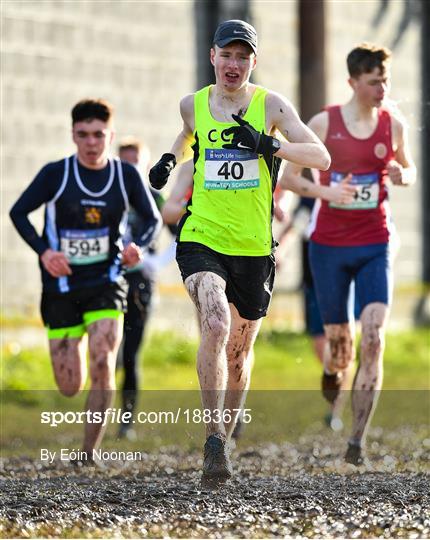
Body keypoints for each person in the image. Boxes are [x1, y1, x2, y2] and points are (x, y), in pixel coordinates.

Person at [148, 19, 331, 484]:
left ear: (254, 61)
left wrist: (270, 144)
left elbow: (320, 157)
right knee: (214, 321)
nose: (234, 64)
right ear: (212, 57)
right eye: (226, 55)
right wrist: (170, 159)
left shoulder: (270, 104)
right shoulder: (193, 104)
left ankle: (224, 443)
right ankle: (212, 439)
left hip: (253, 247)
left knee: (238, 353)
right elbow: (190, 132)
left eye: (243, 56)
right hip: (203, 236)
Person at [280, 43, 416, 465]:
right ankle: (332, 379)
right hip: (329, 246)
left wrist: (401, 173)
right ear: (353, 82)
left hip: (375, 240)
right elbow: (289, 178)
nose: (382, 89)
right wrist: (326, 191)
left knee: (373, 338)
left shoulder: (393, 125)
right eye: (374, 82)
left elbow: (409, 171)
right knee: (341, 350)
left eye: (386, 81)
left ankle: (357, 440)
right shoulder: (324, 122)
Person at [9, 99, 162, 464]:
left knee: (104, 360)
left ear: (109, 135)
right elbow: (18, 213)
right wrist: (46, 252)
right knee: (68, 385)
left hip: (106, 282)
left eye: (98, 135)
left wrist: (135, 248)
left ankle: (89, 452)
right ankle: (71, 352)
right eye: (83, 135)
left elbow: (152, 219)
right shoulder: (56, 174)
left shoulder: (126, 176)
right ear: (73, 135)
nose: (91, 143)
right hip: (61, 287)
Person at [117, 137, 177, 440]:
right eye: (125, 162)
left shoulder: (155, 198)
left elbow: (181, 235)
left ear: (145, 163)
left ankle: (126, 420)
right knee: (104, 350)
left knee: (130, 353)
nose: (130, 167)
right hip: (110, 279)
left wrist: (157, 262)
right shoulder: (109, 190)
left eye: (136, 162)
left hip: (141, 282)